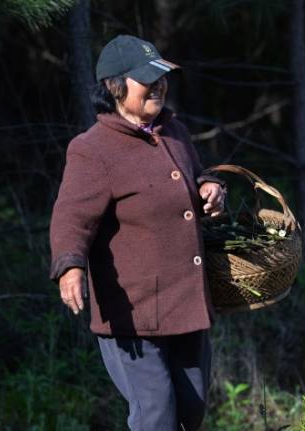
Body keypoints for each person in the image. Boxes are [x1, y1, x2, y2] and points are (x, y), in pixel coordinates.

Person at [49, 34, 226, 431]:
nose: (159, 85)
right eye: (148, 78)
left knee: (191, 412)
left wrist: (211, 187)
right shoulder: (92, 150)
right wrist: (70, 267)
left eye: (162, 76)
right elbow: (71, 218)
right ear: (114, 86)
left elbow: (197, 176)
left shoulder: (174, 130)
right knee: (156, 416)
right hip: (132, 313)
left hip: (186, 301)